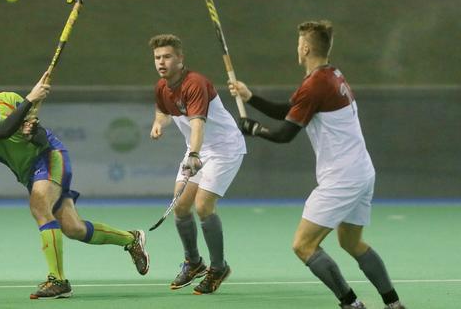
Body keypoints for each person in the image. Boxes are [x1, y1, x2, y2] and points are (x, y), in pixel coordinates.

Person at [228, 20, 406, 309]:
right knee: (351, 243)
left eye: (299, 43)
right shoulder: (332, 75)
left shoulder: (314, 85)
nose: (297, 48)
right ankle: (393, 304)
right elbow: (292, 109)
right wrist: (251, 98)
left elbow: (285, 134)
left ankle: (351, 304)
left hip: (342, 178)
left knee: (303, 245)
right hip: (362, 172)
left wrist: (254, 129)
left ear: (306, 47)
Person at [0, 71, 149, 300]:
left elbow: (41, 137)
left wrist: (32, 132)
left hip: (50, 156)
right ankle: (131, 239)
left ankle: (58, 280)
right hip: (29, 174)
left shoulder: (9, 99)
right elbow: (3, 131)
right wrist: (31, 99)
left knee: (38, 206)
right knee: (74, 228)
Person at [148, 34, 246, 295]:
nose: (161, 62)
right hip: (198, 149)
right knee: (180, 206)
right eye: (158, 57)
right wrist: (159, 123)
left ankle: (218, 267)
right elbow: (163, 110)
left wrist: (194, 153)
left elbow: (198, 123)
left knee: (203, 205)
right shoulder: (161, 86)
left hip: (224, 149)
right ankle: (193, 263)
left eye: (167, 56)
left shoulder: (195, 84)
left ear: (180, 59)